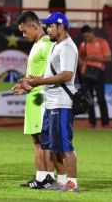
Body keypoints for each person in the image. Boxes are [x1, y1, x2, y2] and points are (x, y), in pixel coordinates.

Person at [15, 12, 81, 193]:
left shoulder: (67, 47)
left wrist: (38, 82)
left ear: (61, 27)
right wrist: (28, 85)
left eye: (51, 26)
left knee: (65, 145)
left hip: (61, 101)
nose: (48, 29)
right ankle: (60, 181)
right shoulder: (56, 46)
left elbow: (67, 75)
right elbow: (49, 74)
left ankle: (72, 183)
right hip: (51, 101)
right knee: (53, 145)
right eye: (48, 26)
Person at [15, 11, 56, 189]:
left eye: (25, 31)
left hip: (41, 96)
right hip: (34, 96)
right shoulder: (38, 44)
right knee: (37, 140)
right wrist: (23, 85)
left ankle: (48, 177)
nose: (24, 35)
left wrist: (31, 83)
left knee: (44, 139)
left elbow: (51, 72)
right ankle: (40, 178)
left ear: (34, 25)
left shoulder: (46, 44)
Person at [78, 26, 112, 128]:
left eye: (88, 36)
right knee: (89, 98)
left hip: (99, 72)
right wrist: (82, 63)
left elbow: (109, 58)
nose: (87, 38)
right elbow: (79, 56)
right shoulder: (83, 44)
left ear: (92, 32)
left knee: (101, 98)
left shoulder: (102, 42)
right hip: (87, 73)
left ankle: (105, 123)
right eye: (85, 37)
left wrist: (96, 58)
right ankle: (92, 123)